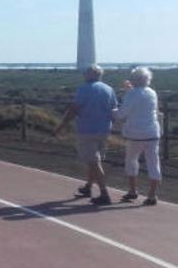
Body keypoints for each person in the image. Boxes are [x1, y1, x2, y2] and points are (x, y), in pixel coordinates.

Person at [54, 64, 117, 205]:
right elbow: (114, 109)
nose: (84, 75)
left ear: (91, 74)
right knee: (93, 160)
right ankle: (88, 187)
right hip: (104, 130)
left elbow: (74, 109)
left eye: (86, 73)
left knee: (93, 162)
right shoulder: (109, 89)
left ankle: (104, 193)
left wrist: (61, 126)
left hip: (87, 130)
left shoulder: (84, 89)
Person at [114, 67, 162, 205]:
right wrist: (129, 91)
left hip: (135, 134)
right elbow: (143, 102)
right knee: (153, 163)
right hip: (152, 133)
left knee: (131, 161)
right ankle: (152, 195)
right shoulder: (152, 93)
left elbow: (122, 113)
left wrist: (111, 111)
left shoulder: (132, 94)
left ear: (134, 79)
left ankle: (133, 190)